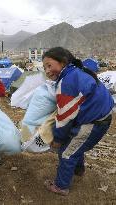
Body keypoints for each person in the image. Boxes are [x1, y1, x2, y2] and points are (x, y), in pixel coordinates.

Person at [42, 47, 114, 195]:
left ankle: (61, 186)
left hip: (94, 121)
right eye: (44, 68)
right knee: (74, 143)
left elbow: (64, 117)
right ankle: (78, 169)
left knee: (66, 152)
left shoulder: (67, 82)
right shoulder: (77, 71)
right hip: (98, 113)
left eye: (49, 65)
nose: (47, 71)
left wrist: (57, 138)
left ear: (62, 62)